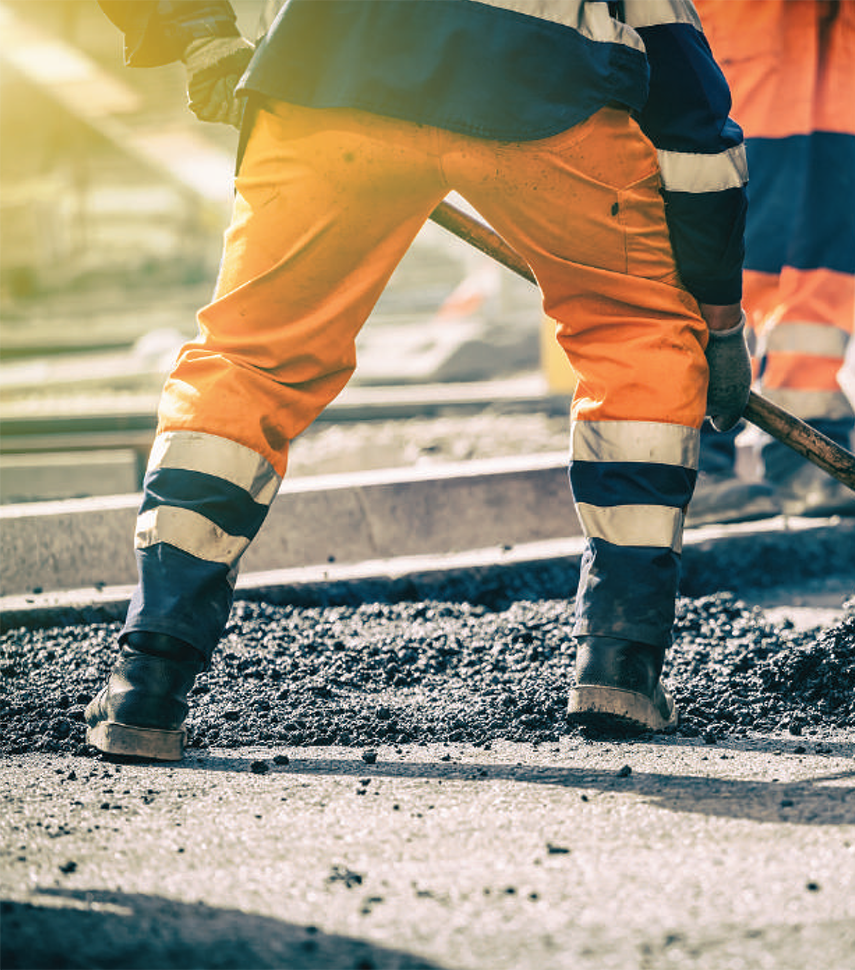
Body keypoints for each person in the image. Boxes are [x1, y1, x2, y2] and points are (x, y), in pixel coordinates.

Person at [85, 0, 752, 758]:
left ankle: (150, 677)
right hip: (543, 86)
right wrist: (716, 318)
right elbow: (692, 120)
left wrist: (195, 35)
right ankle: (621, 664)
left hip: (332, 68)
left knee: (251, 358)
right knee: (636, 337)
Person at [685, 0, 855, 526]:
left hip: (824, 22)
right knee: (735, 225)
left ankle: (807, 448)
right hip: (739, 20)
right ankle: (690, 463)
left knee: (820, 244)